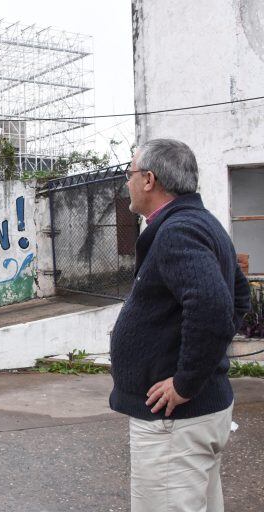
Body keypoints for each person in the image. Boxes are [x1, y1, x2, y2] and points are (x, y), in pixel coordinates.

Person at [109, 139, 251, 512]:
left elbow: (214, 307)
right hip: (193, 417)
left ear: (149, 180)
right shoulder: (201, 223)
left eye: (130, 173)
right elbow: (239, 297)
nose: (127, 182)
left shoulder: (178, 231)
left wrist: (186, 381)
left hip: (174, 424)